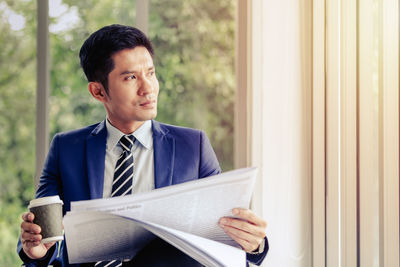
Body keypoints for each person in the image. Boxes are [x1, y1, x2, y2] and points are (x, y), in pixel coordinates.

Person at [18, 24, 268, 266]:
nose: (148, 88)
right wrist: (36, 250)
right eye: (130, 77)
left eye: (150, 73)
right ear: (98, 92)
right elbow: (42, 237)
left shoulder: (194, 146)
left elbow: (225, 232)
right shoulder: (66, 149)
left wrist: (254, 243)